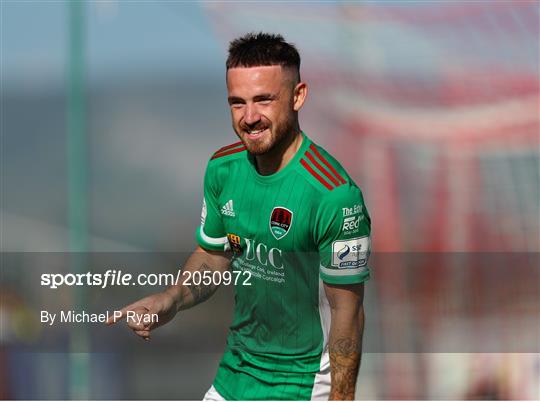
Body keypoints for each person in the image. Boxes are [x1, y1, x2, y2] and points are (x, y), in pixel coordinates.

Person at [108, 32, 371, 401]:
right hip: (234, 379)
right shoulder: (222, 169)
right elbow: (214, 256)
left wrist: (341, 398)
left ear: (298, 96)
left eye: (264, 100)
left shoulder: (335, 195)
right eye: (237, 103)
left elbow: (349, 312)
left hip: (304, 386)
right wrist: (171, 299)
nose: (250, 117)